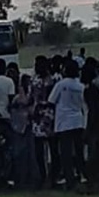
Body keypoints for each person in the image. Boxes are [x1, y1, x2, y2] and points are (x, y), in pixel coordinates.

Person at [49, 59, 87, 191]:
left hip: (64, 122)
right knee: (79, 151)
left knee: (66, 153)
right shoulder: (80, 86)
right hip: (78, 120)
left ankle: (69, 179)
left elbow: (51, 100)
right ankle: (82, 175)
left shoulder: (61, 84)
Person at [30, 56, 60, 189]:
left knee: (48, 150)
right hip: (45, 116)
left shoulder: (50, 80)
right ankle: (47, 176)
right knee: (46, 150)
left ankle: (50, 176)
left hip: (45, 116)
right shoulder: (49, 79)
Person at [81, 57, 99, 192]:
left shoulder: (89, 90)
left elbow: (92, 111)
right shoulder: (95, 89)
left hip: (93, 125)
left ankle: (93, 182)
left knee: (92, 155)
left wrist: (88, 128)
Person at [10, 74, 36, 188]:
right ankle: (20, 178)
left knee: (30, 153)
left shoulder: (31, 96)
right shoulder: (18, 98)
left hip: (28, 126)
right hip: (19, 127)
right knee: (19, 153)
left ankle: (29, 177)